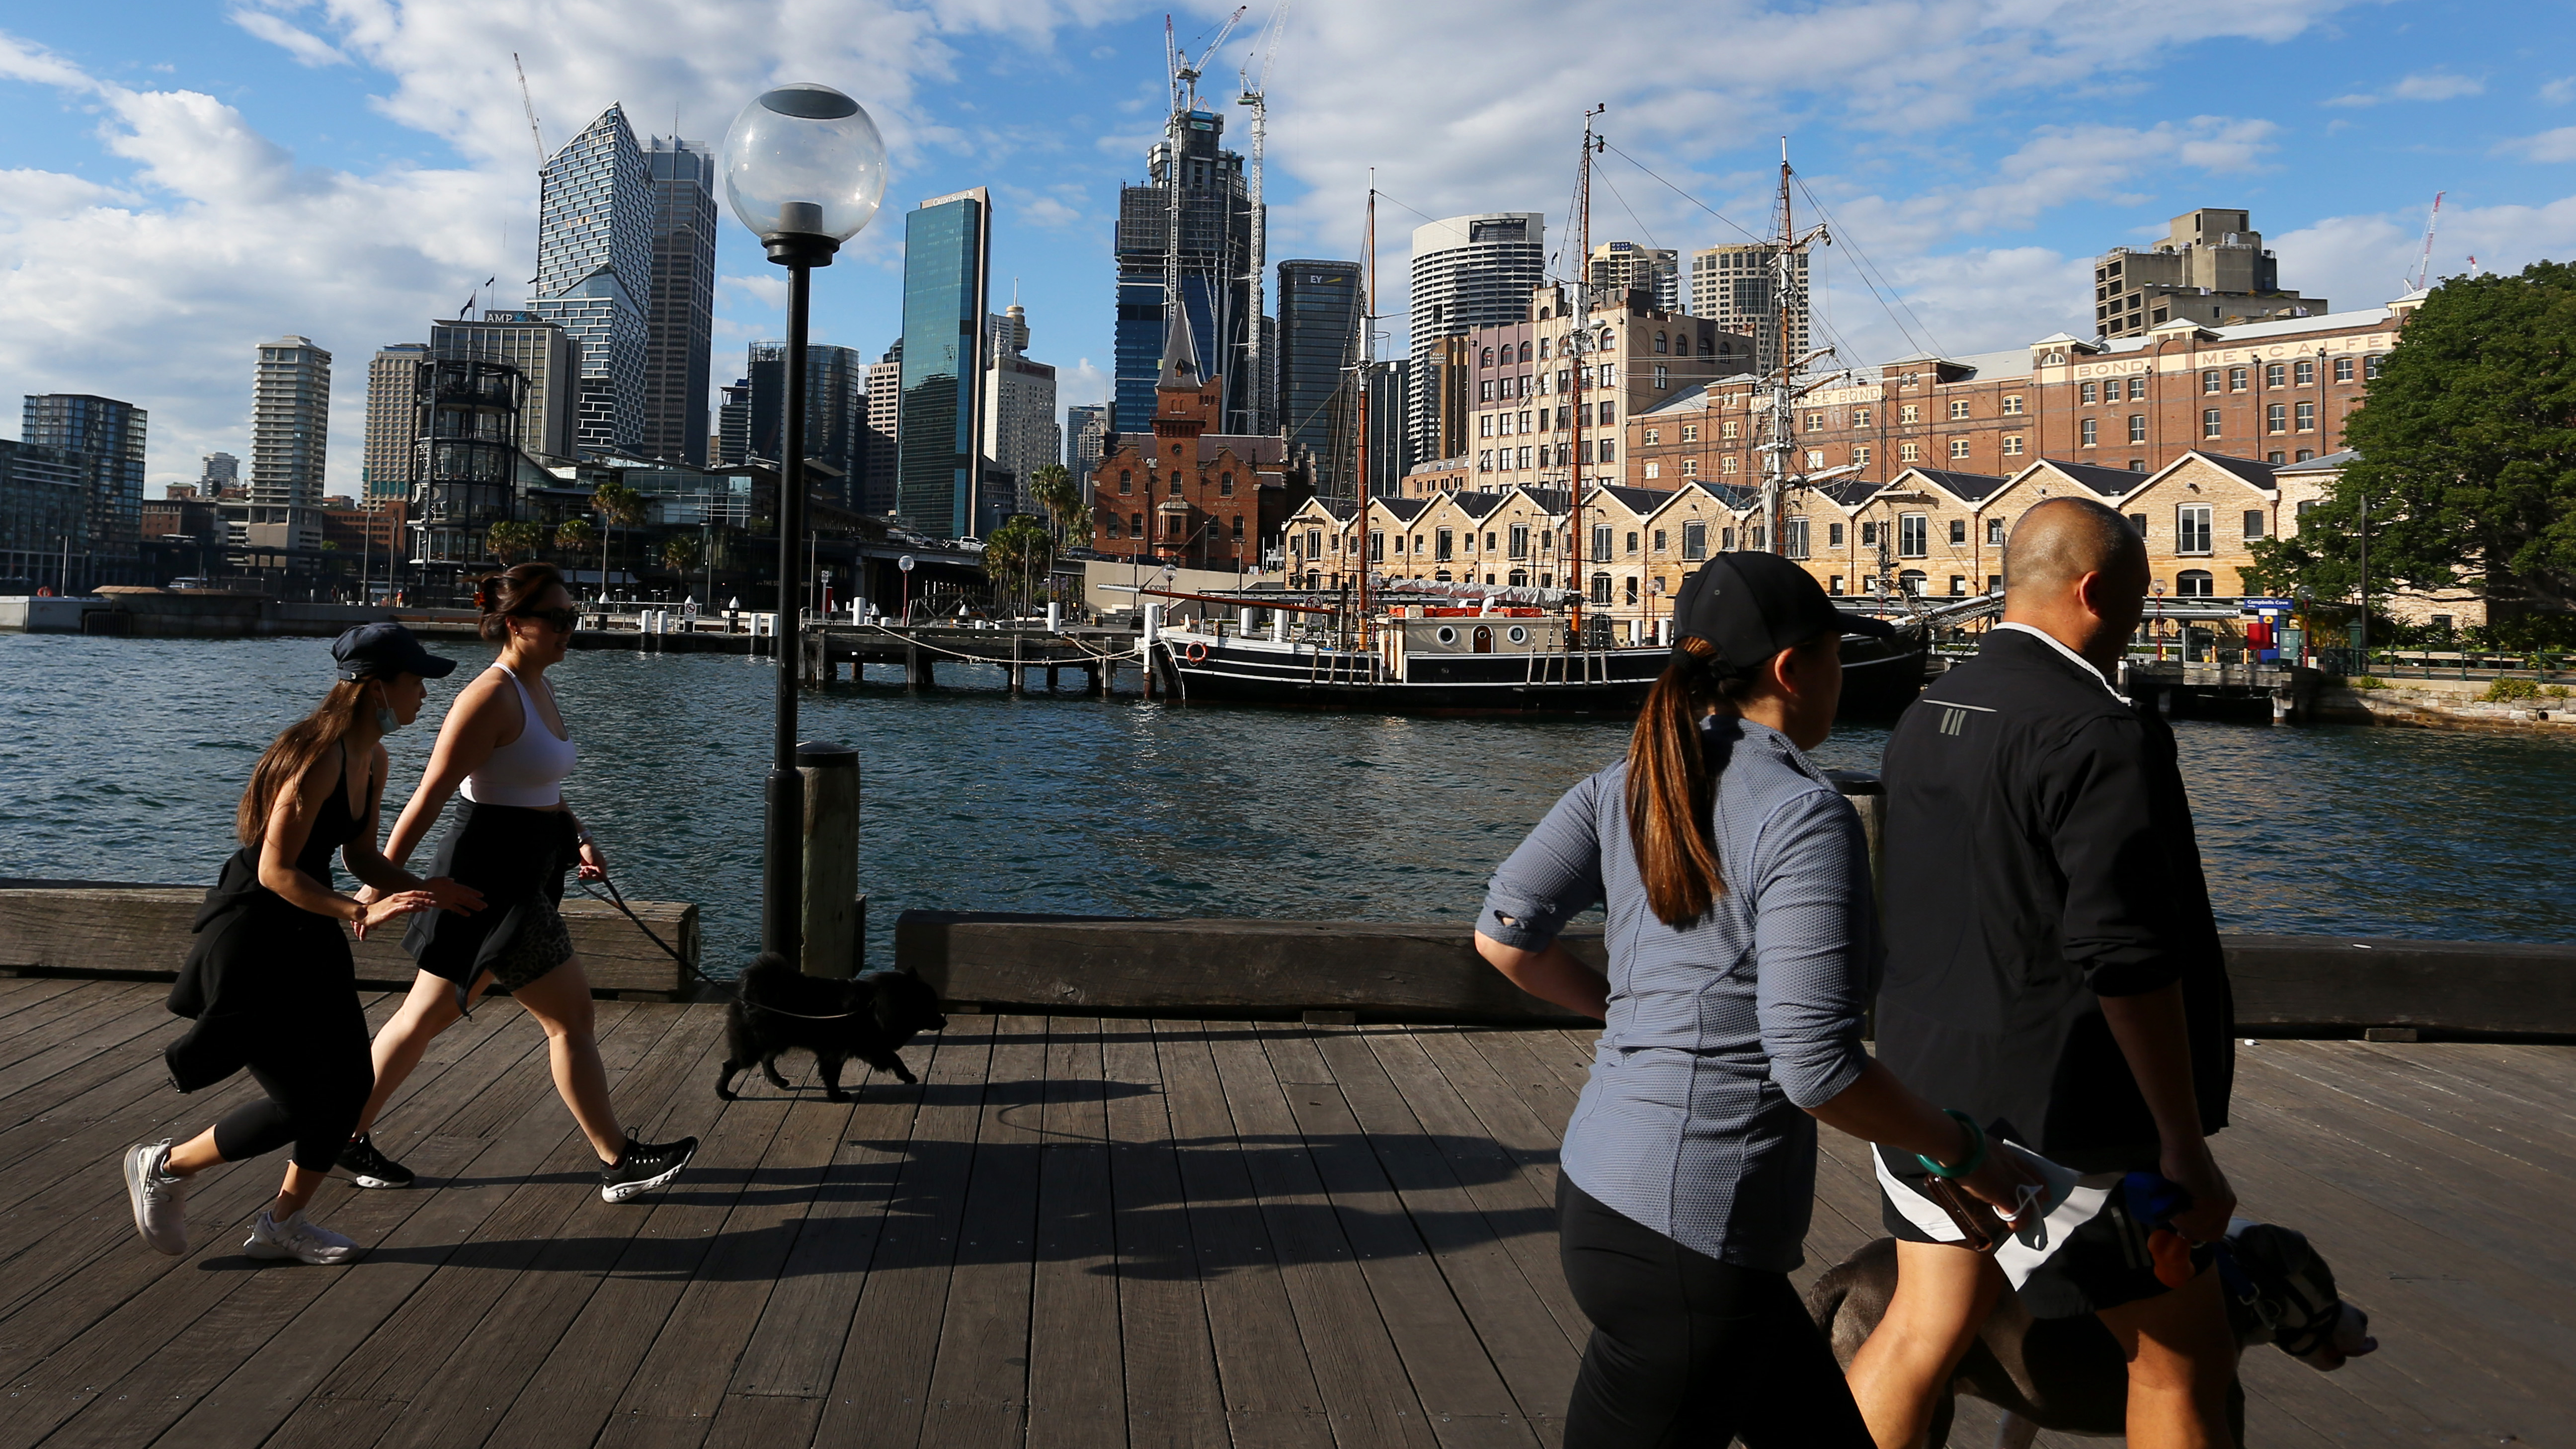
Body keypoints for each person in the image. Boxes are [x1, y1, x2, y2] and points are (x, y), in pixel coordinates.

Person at [1474, 553, 2039, 1448]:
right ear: (1791, 669)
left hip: (1602, 1194)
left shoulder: (1622, 784)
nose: (1839, 677)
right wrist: (1962, 1151)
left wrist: (1623, 1012)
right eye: (1833, 655)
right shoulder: (1800, 813)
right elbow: (1814, 1067)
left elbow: (1503, 938)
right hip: (1691, 1245)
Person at [1845, 497, 2239, 1449]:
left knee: (1916, 1331)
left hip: (1926, 1094)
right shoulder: (2098, 732)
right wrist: (2178, 1140)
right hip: (2070, 1121)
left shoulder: (1925, 711)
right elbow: (2126, 957)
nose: (2138, 626)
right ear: (2095, 591)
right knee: (2182, 1366)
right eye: (2140, 603)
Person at [125, 624, 479, 1263]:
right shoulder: (319, 756)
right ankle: (166, 1166)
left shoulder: (374, 759)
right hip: (254, 937)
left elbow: (363, 856)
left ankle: (283, 1224)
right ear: (378, 688)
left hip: (306, 928)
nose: (425, 693)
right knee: (300, 1102)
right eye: (416, 679)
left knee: (347, 1090)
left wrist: (427, 888)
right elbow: (274, 872)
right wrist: (357, 912)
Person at [350, 562, 697, 1204]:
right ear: (516, 624)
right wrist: (379, 883)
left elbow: (542, 786)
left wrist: (581, 834)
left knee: (421, 1020)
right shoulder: (490, 694)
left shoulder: (538, 685)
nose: (572, 629)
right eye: (560, 619)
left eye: (575, 617)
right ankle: (617, 1160)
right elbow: (430, 794)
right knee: (571, 1018)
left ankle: (340, 1135)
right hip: (489, 880)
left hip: (528, 868)